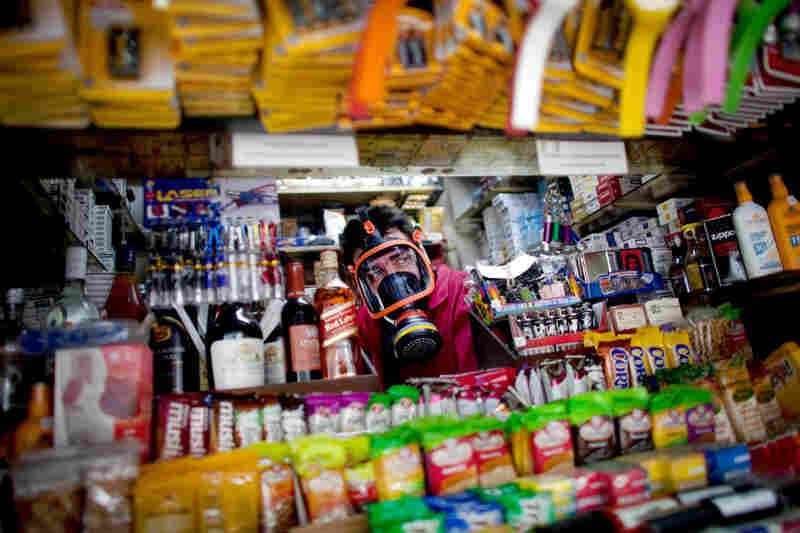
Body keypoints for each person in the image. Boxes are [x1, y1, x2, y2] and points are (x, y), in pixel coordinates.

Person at [341, 205, 478, 385]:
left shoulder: (467, 291)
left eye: (400, 259)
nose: (393, 277)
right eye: (375, 271)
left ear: (420, 252)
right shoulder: (367, 321)